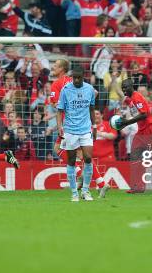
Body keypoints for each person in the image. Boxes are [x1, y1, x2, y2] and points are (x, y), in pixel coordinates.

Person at [115, 78, 152, 193]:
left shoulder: (137, 97)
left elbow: (144, 115)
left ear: (132, 87)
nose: (124, 90)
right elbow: (136, 113)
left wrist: (126, 122)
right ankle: (138, 186)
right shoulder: (130, 99)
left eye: (126, 88)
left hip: (150, 130)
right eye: (123, 88)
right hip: (141, 131)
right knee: (135, 155)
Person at [56, 67, 96, 202]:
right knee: (72, 161)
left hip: (85, 129)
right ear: (72, 77)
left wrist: (94, 126)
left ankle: (85, 191)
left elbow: (91, 108)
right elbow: (59, 110)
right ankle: (74, 193)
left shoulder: (89, 89)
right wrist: (59, 127)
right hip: (70, 130)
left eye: (79, 77)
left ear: (83, 76)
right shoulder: (66, 90)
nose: (77, 80)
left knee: (88, 158)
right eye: (75, 78)